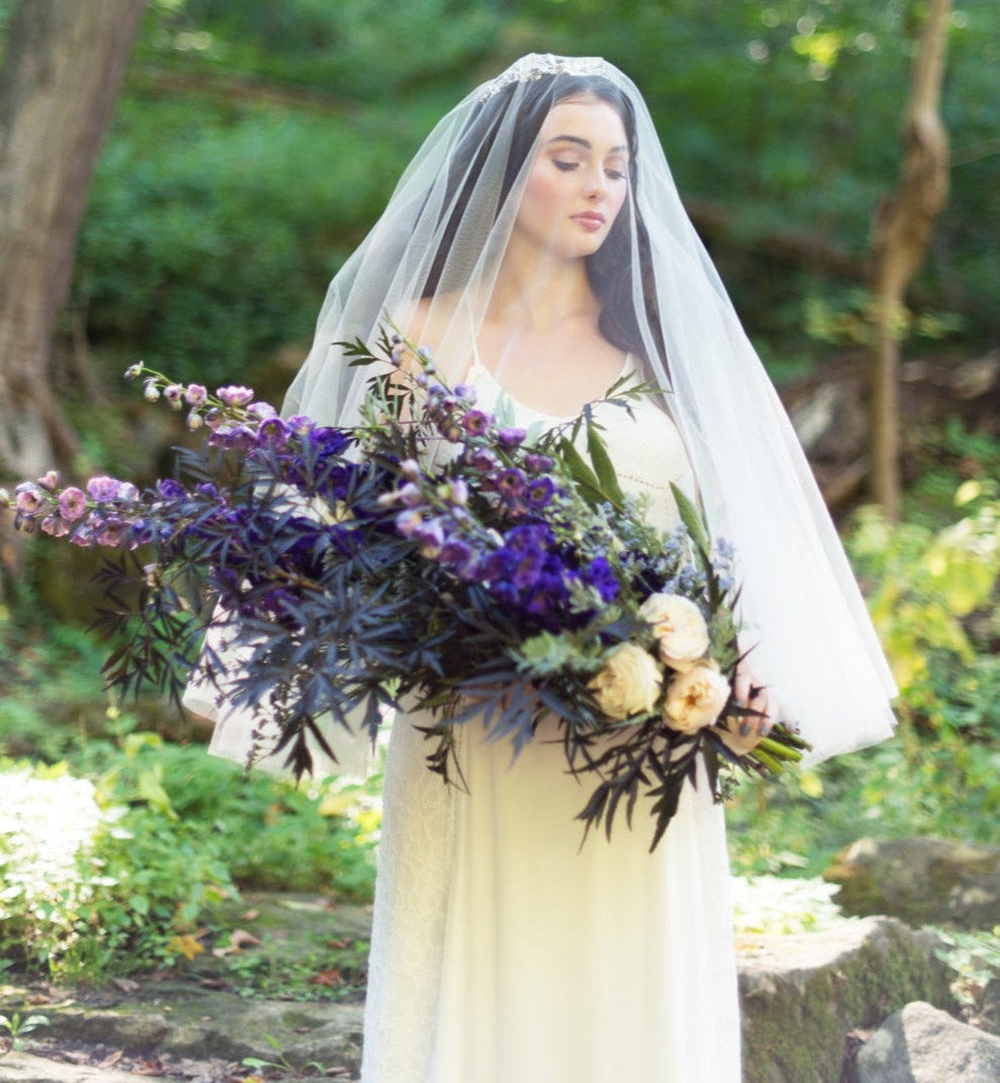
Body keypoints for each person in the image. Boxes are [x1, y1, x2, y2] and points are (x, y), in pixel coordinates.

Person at [189, 53, 896, 1082]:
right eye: (568, 159)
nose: (600, 185)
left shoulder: (655, 353)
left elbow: (727, 549)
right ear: (502, 172)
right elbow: (346, 531)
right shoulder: (416, 342)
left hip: (641, 755)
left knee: (628, 1013)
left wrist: (740, 675)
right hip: (470, 741)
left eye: (615, 165)